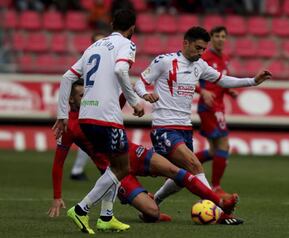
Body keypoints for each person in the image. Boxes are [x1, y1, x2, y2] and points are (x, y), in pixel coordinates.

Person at [49, 80, 241, 225]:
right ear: (71, 99)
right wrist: (57, 196)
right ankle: (144, 205)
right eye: (82, 96)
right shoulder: (68, 126)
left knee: (178, 171)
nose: (87, 98)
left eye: (88, 94)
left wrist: (127, 91)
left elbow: (116, 106)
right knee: (152, 213)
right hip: (114, 171)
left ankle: (220, 204)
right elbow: (58, 163)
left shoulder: (96, 108)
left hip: (132, 152)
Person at [133, 26, 271, 209]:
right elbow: (140, 82)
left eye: (203, 49)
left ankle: (155, 201)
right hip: (164, 128)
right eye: (197, 48)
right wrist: (145, 95)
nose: (201, 52)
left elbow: (222, 79)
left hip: (185, 128)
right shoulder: (165, 61)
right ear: (185, 43)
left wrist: (252, 81)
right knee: (195, 165)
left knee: (182, 177)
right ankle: (219, 207)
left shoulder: (200, 65)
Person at [53, 9, 144, 234]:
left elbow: (67, 77)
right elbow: (121, 69)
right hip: (107, 116)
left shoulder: (94, 46)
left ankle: (106, 216)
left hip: (85, 115)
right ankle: (82, 209)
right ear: (132, 28)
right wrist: (134, 101)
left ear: (112, 23)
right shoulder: (127, 44)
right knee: (123, 167)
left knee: (111, 165)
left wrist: (63, 114)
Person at [194, 26, 237, 198]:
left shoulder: (225, 58)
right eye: (217, 36)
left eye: (223, 36)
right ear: (211, 38)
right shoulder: (204, 57)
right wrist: (202, 91)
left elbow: (222, 81)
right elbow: (189, 77)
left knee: (213, 151)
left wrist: (229, 91)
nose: (220, 39)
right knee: (224, 145)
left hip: (219, 107)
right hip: (210, 107)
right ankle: (216, 187)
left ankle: (184, 166)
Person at [69, 32, 107, 181]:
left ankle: (80, 170)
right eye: (98, 41)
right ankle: (79, 170)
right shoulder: (88, 61)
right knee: (89, 138)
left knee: (90, 140)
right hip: (88, 106)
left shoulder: (102, 61)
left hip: (96, 105)